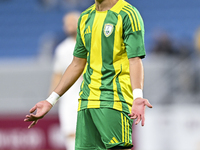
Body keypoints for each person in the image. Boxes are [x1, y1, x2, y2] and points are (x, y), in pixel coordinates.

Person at [24, 0, 153, 150]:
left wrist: (137, 96)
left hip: (114, 99)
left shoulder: (128, 14)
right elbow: (77, 64)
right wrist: (50, 100)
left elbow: (135, 59)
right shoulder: (86, 17)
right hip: (86, 102)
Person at [49, 12, 81, 150]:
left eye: (72, 22)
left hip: (91, 97)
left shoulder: (92, 44)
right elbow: (57, 73)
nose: (69, 25)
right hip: (68, 99)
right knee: (70, 132)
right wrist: (52, 98)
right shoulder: (62, 49)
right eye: (67, 23)